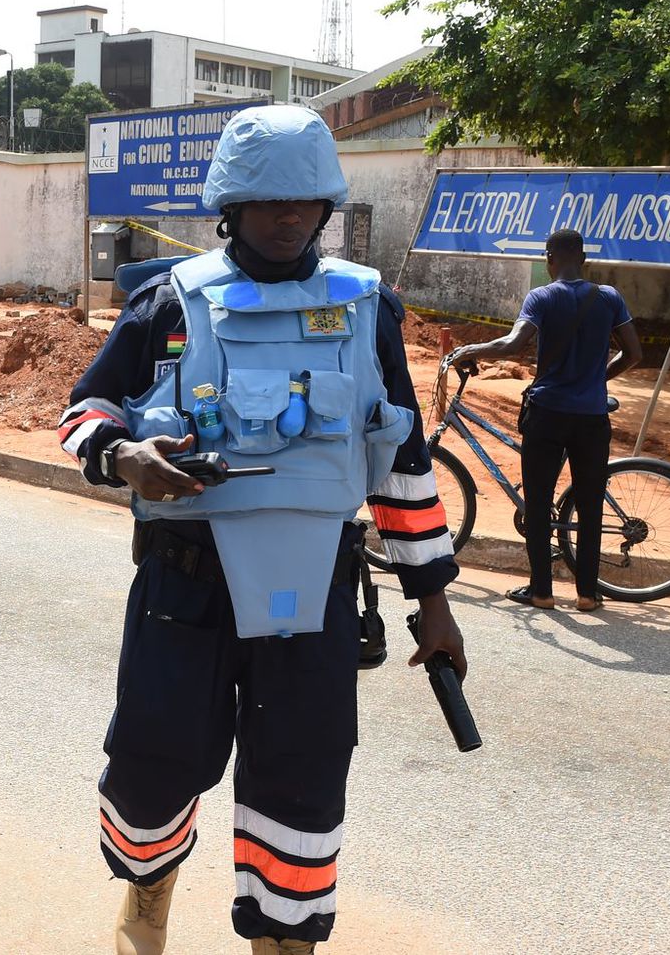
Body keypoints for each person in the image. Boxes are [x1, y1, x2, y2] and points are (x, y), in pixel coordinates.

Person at [57, 106, 467, 955]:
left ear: (326, 207)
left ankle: (285, 940)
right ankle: (148, 891)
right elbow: (84, 409)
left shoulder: (368, 310)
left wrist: (433, 601)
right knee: (153, 763)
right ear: (231, 206)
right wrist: (123, 454)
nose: (290, 216)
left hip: (313, 595)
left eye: (306, 200)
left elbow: (401, 461)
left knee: (302, 781)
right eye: (270, 200)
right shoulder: (167, 301)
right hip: (184, 589)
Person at [447, 228, 643, 612]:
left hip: (548, 415)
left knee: (538, 503)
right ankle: (588, 594)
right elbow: (634, 354)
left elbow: (512, 344)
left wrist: (467, 350)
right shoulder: (609, 297)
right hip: (592, 418)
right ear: (583, 259)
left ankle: (542, 591)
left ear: (548, 258)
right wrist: (595, 380)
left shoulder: (542, 296)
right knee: (590, 505)